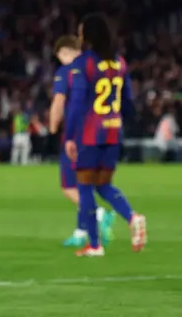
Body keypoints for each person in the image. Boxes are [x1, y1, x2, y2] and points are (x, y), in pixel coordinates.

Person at [64, 14, 147, 256]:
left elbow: (77, 103)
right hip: (113, 130)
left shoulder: (84, 63)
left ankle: (95, 244)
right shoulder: (119, 62)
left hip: (91, 133)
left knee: (85, 187)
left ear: (88, 36)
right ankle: (132, 217)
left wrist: (69, 136)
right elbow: (128, 102)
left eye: (81, 32)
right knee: (103, 184)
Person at [49, 35, 114, 248]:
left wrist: (53, 125)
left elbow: (59, 101)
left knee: (69, 187)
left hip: (75, 135)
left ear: (65, 52)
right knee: (83, 184)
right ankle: (81, 231)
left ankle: (100, 214)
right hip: (98, 133)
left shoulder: (66, 71)